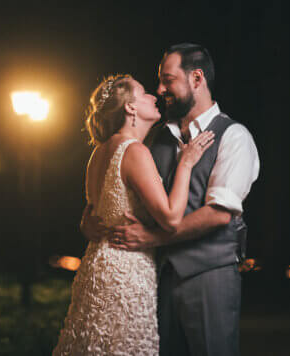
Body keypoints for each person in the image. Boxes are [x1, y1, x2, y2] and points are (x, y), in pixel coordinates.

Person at [82, 43, 260, 356]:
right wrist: (92, 221)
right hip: (155, 280)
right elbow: (118, 190)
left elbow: (219, 213)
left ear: (197, 79)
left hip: (208, 277)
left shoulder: (234, 136)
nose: (160, 89)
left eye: (168, 80)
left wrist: (152, 237)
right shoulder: (152, 138)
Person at [53, 74, 216, 356]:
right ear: (130, 108)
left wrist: (85, 224)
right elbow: (171, 218)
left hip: (96, 266)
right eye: (144, 94)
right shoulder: (135, 151)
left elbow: (91, 215)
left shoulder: (98, 153)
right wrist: (186, 164)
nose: (154, 96)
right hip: (125, 272)